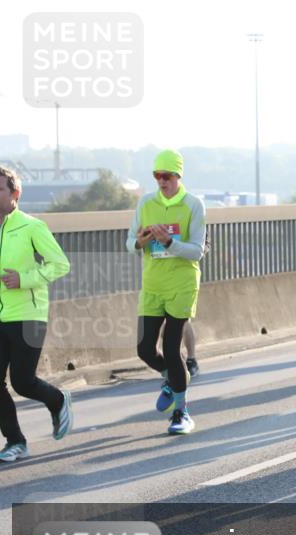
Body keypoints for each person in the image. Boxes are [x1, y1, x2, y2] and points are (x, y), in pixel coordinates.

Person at [0, 166, 73, 462]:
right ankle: (15, 441)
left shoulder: (31, 227)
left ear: (15, 194)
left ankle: (58, 400)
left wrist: (24, 278)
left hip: (28, 314)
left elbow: (60, 264)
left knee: (23, 382)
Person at [127, 149, 206, 435]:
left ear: (178, 176)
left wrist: (169, 242)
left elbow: (197, 251)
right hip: (153, 285)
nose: (162, 181)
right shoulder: (146, 203)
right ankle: (172, 380)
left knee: (172, 349)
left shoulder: (193, 205)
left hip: (182, 285)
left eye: (167, 176)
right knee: (145, 348)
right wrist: (141, 241)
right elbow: (129, 244)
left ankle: (181, 413)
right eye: (157, 176)